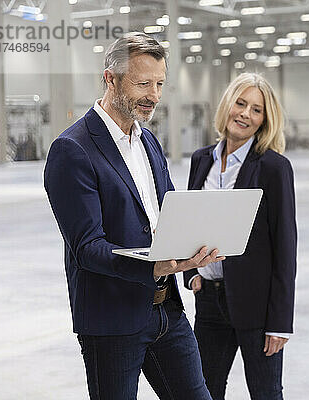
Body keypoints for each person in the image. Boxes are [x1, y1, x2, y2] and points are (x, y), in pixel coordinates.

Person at [44, 32, 222, 400]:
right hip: (111, 320)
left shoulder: (147, 140)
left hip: (166, 310)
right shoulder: (72, 149)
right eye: (143, 83)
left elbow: (169, 215)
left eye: (159, 84)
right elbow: (87, 248)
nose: (154, 96)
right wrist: (152, 266)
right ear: (110, 79)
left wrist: (192, 257)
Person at [184, 72, 297, 400]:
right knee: (202, 392)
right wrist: (192, 273)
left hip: (257, 308)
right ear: (227, 105)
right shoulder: (201, 159)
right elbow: (192, 220)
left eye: (257, 110)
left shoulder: (273, 168)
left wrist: (280, 322)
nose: (246, 113)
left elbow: (285, 245)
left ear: (265, 120)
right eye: (241, 103)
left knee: (266, 394)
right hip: (208, 302)